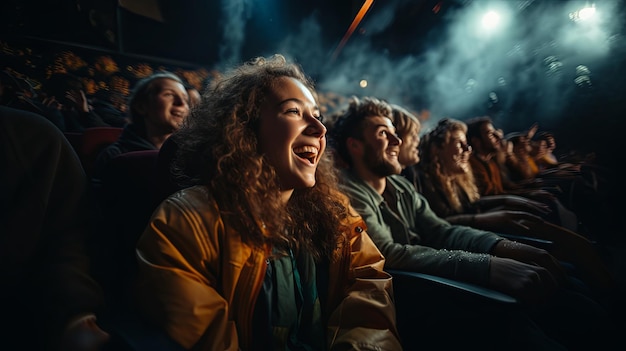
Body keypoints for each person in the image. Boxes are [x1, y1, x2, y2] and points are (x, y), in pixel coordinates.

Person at [132, 55, 402, 350]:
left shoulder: (337, 212)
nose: (319, 128)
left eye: (317, 116)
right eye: (293, 112)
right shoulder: (187, 220)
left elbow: (369, 288)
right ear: (245, 128)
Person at [329, 96, 618, 350]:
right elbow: (389, 255)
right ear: (355, 145)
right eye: (384, 133)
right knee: (532, 327)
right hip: (417, 301)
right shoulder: (350, 193)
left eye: (395, 133)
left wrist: (499, 246)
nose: (397, 141)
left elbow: (441, 230)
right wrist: (485, 264)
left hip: (442, 279)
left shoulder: (399, 187)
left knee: (570, 292)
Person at [415, 118, 615, 295]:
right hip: (474, 239)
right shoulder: (423, 181)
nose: (468, 150)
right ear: (437, 148)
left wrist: (512, 203)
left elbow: (477, 202)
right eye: (460, 144)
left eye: (467, 144)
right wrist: (501, 211)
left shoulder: (460, 176)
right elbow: (440, 226)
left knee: (573, 250)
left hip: (481, 230)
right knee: (567, 260)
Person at [0, 105, 110, 350]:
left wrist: (75, 315)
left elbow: (66, 241)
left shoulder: (32, 137)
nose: (181, 105)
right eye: (169, 95)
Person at [92, 71, 190, 181]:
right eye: (169, 94)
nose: (181, 103)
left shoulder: (192, 157)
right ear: (141, 107)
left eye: (186, 99)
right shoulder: (115, 156)